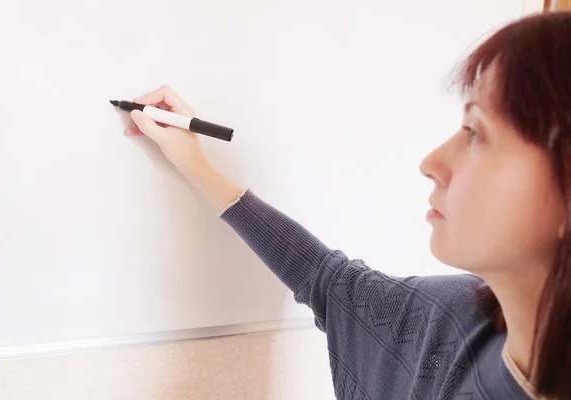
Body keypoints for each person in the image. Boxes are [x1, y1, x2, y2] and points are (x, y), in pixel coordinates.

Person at [124, 11, 571, 400]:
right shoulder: (454, 319)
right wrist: (196, 163)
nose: (431, 162)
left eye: (476, 132)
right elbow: (324, 279)